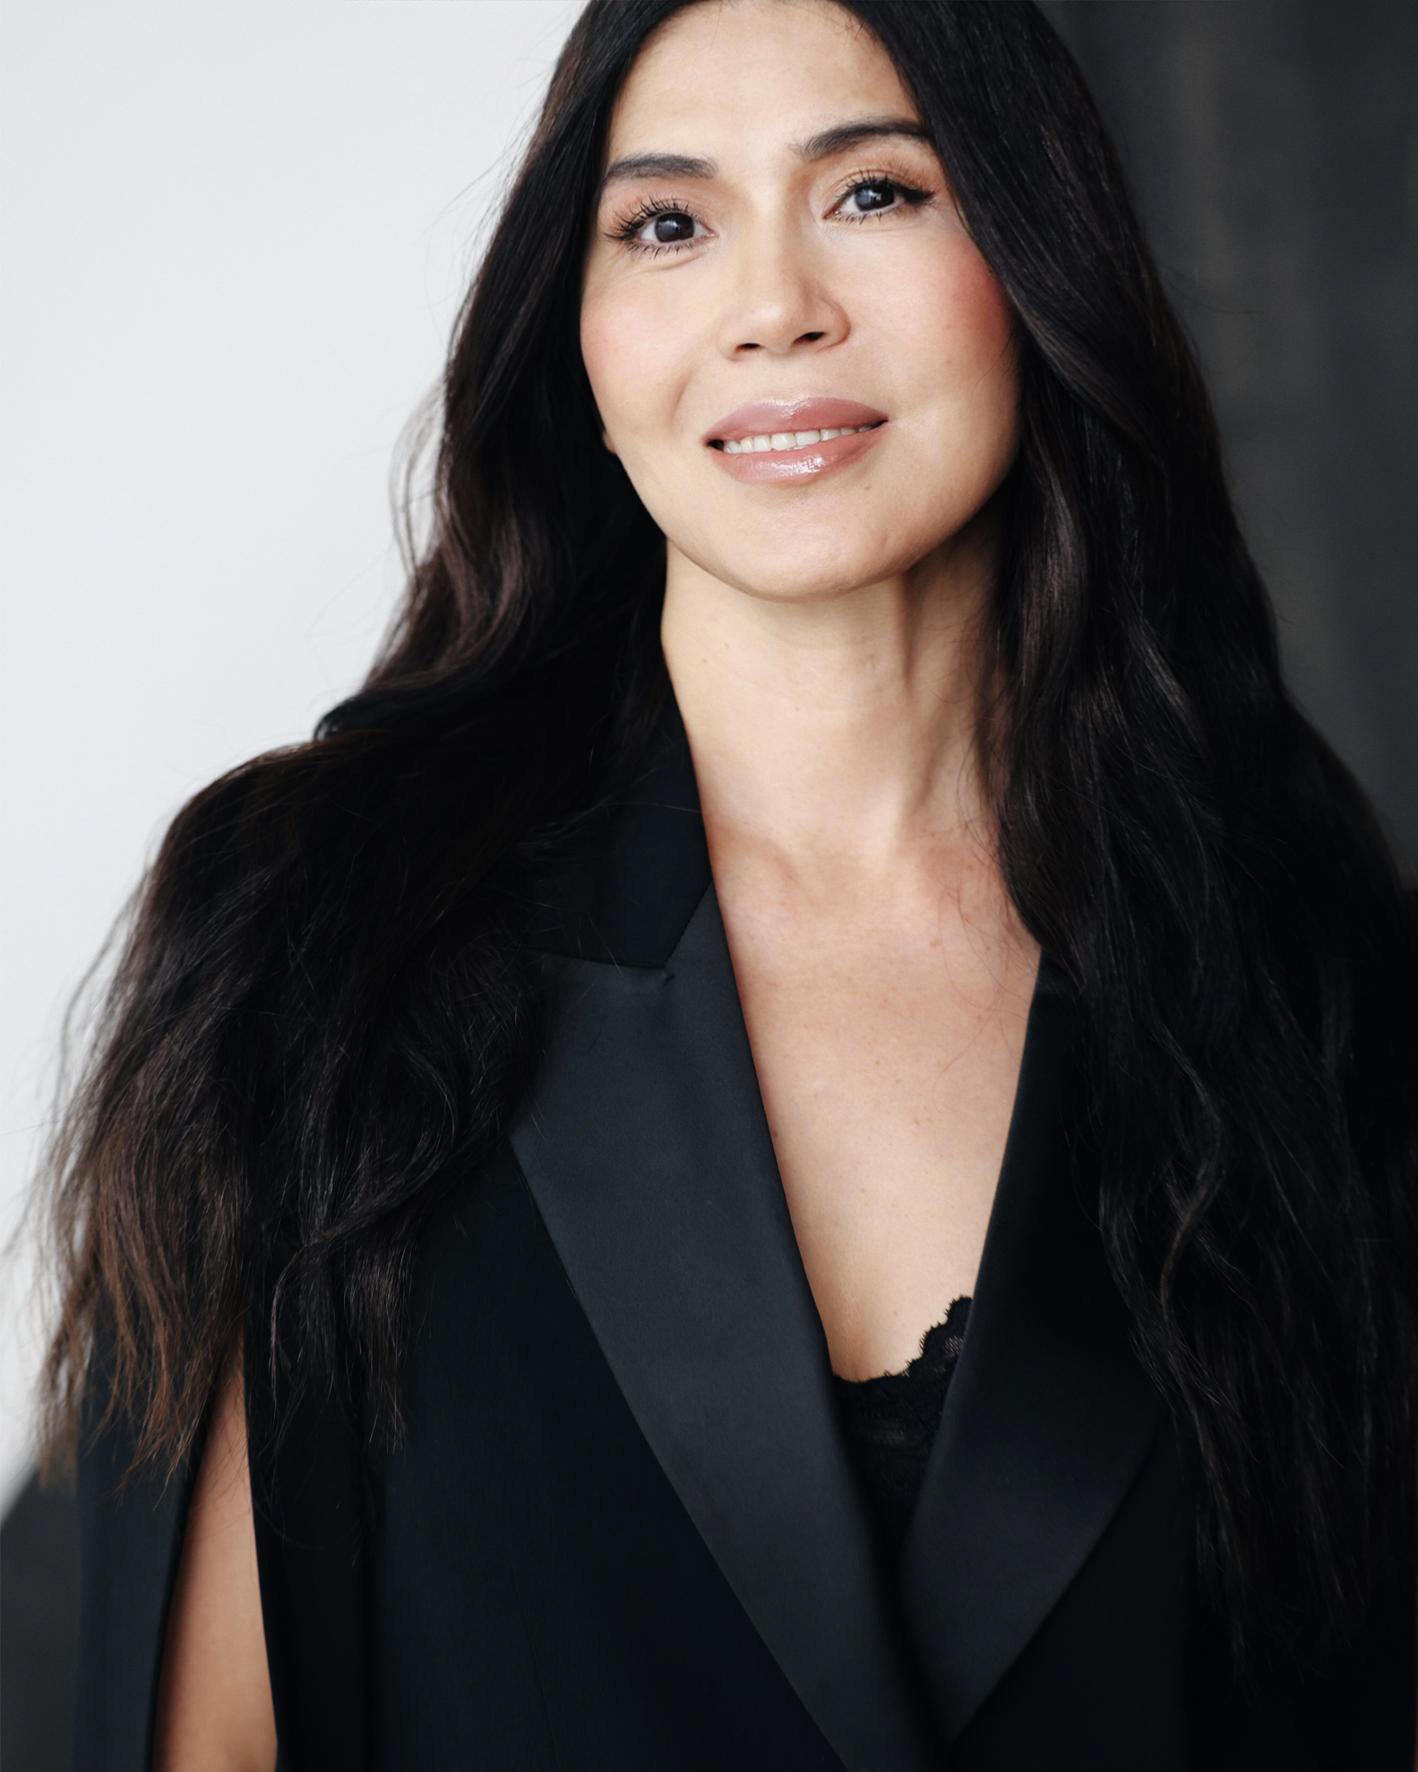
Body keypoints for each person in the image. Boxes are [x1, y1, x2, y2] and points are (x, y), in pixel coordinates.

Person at [27, 1, 1416, 1767]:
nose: (773, 306)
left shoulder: (1295, 951)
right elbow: (211, 1739)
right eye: (667, 221)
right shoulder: (315, 922)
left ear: (1034, 252)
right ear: (577, 336)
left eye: (876, 193)